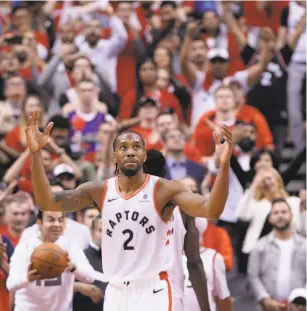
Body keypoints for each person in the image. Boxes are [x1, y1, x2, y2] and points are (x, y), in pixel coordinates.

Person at [26, 109, 233, 311]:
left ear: (144, 155)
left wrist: (224, 167)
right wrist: (35, 154)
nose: (130, 151)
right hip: (116, 291)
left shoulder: (165, 190)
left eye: (136, 147)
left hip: (154, 290)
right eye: (123, 147)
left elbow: (210, 210)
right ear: (114, 156)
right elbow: (48, 202)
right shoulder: (99, 190)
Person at [143, 149, 211, 311]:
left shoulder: (120, 207)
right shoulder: (182, 208)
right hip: (169, 295)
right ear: (165, 172)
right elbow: (194, 263)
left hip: (128, 297)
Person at [7, 210, 106, 311]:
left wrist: (73, 268)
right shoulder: (25, 247)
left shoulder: (70, 245)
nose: (57, 224)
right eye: (51, 220)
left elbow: (90, 278)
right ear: (39, 223)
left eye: (61, 220)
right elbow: (10, 284)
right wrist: (27, 278)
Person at [247, 198, 306, 311]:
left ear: (291, 215)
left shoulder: (304, 245)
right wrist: (265, 299)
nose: (280, 215)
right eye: (276, 212)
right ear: (270, 218)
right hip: (268, 307)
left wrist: (302, 299)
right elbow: (253, 276)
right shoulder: (260, 246)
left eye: (284, 212)